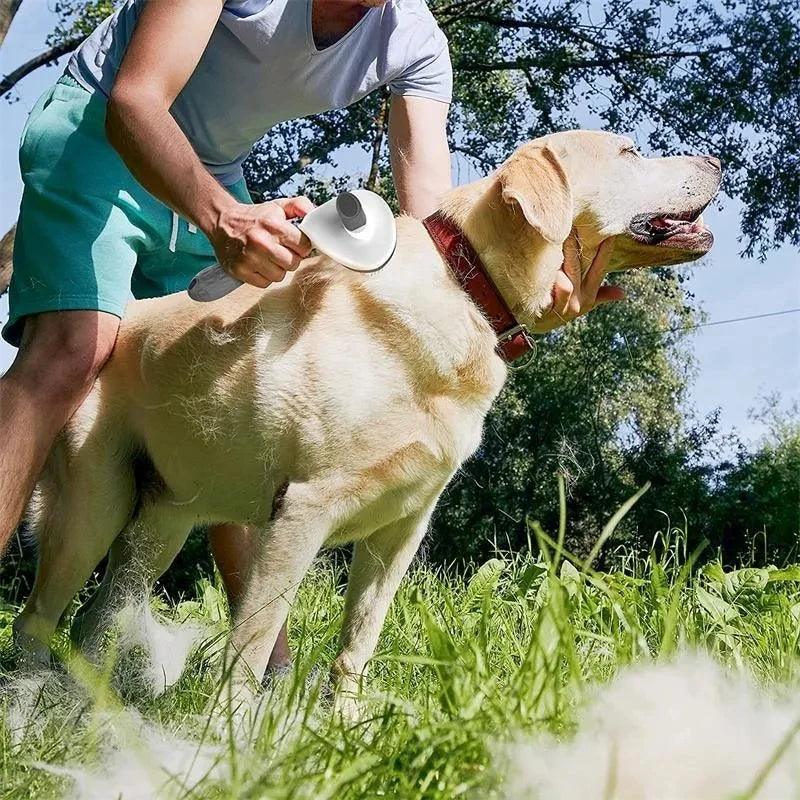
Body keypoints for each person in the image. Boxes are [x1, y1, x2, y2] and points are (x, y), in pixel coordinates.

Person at [0, 0, 621, 666]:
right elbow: (136, 100)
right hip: (101, 130)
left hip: (214, 167)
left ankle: (270, 681)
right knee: (75, 351)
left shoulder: (414, 43)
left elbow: (437, 240)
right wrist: (225, 219)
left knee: (235, 382)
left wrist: (522, 299)